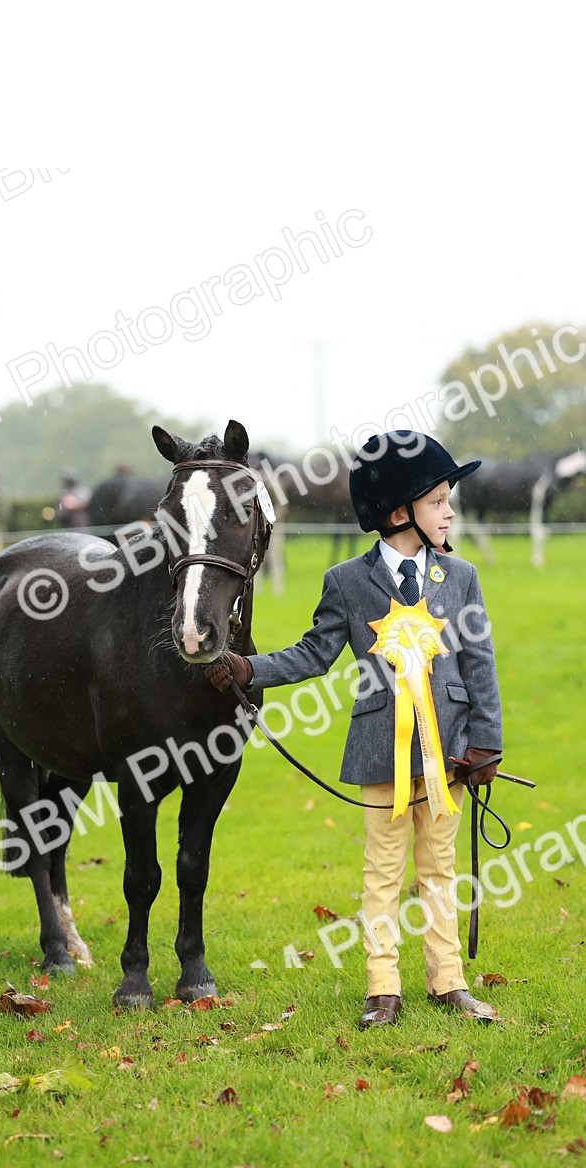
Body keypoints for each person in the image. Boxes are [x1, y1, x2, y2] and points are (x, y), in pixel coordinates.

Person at [205, 431, 503, 1028]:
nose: (450, 512)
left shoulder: (461, 577)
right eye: (439, 500)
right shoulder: (347, 581)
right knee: (383, 870)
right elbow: (313, 653)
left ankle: (447, 982)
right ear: (400, 513)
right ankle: (382, 987)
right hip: (379, 753)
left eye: (450, 500)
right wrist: (249, 668)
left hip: (448, 751)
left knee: (440, 868)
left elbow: (479, 662)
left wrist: (485, 740)